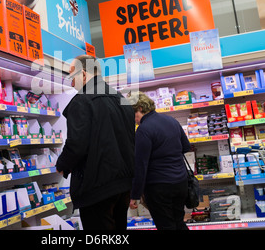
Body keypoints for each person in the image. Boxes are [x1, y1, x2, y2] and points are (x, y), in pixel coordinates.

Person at [55, 54, 135, 230]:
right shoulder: (121, 98)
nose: (71, 83)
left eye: (71, 76)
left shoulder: (82, 101)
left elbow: (77, 144)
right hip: (123, 186)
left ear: (83, 74)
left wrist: (62, 165)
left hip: (97, 187)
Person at [129, 92, 191, 230]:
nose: (133, 119)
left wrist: (135, 195)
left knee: (166, 226)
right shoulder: (171, 120)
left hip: (159, 187)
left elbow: (141, 166)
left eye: (133, 113)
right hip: (180, 182)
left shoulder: (143, 130)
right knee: (179, 222)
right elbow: (186, 147)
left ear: (140, 108)